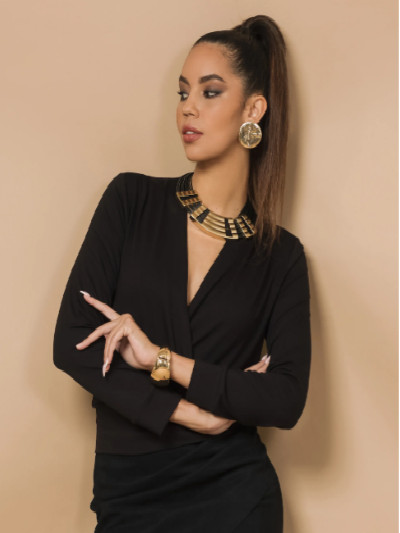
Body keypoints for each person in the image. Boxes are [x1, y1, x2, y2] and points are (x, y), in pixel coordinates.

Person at [53, 14, 311, 533]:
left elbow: (284, 399)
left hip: (236, 493)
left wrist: (161, 360)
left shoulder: (281, 255)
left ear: (253, 109)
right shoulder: (131, 200)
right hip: (131, 490)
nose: (188, 107)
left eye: (210, 92)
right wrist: (194, 413)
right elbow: (71, 343)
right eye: (183, 92)